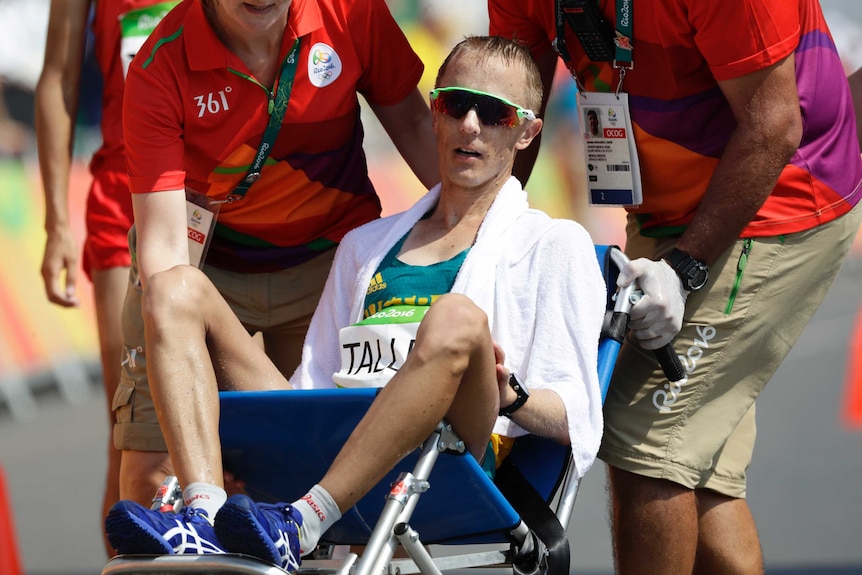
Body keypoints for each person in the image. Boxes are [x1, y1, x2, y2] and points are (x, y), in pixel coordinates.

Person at [103, 35, 607, 571]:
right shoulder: (365, 245)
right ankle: (204, 515)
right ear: (434, 112)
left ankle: (303, 521)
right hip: (339, 436)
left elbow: (579, 414)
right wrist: (251, 448)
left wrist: (512, 395)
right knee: (173, 288)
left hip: (451, 454)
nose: (470, 126)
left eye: (495, 113)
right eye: (456, 104)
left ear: (527, 130)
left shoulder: (553, 243)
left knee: (456, 319)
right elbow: (312, 387)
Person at [489, 2, 862, 574]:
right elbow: (516, 106)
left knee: (645, 445)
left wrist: (684, 269)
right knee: (699, 472)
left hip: (776, 200)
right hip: (663, 210)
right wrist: (482, 240)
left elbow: (775, 125)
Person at [110, 0, 440, 517]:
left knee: (343, 484)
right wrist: (193, 453)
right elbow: (164, 261)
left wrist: (494, 236)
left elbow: (419, 130)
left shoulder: (352, 14)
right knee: (152, 482)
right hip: (205, 271)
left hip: (327, 267)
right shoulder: (158, 66)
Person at [35, 0, 182, 555]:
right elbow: (57, 77)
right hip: (122, 205)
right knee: (133, 438)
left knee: (237, 429)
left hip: (221, 199)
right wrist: (55, 224)